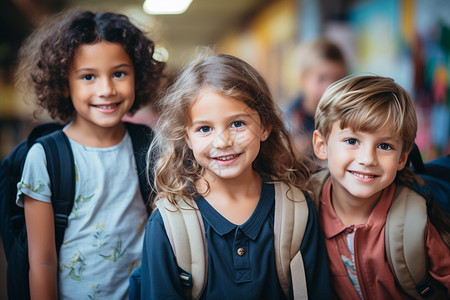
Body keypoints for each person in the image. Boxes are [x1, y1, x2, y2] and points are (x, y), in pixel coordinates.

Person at [140, 52, 331, 299]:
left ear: (264, 126)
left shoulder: (297, 209)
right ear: (187, 138)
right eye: (204, 128)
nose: (223, 142)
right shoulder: (167, 223)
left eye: (237, 123)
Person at [15, 9, 165, 299]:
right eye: (88, 77)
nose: (106, 89)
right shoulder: (45, 157)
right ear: (63, 85)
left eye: (119, 73)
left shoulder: (151, 146)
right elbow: (42, 262)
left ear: (138, 76)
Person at [311, 75, 450, 299]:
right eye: (352, 141)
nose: (367, 159)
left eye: (385, 146)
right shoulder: (304, 208)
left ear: (402, 158)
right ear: (321, 145)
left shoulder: (415, 220)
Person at [286, 38, 347, 158]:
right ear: (303, 79)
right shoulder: (287, 122)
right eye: (322, 78)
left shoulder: (348, 117)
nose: (330, 87)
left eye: (337, 78)